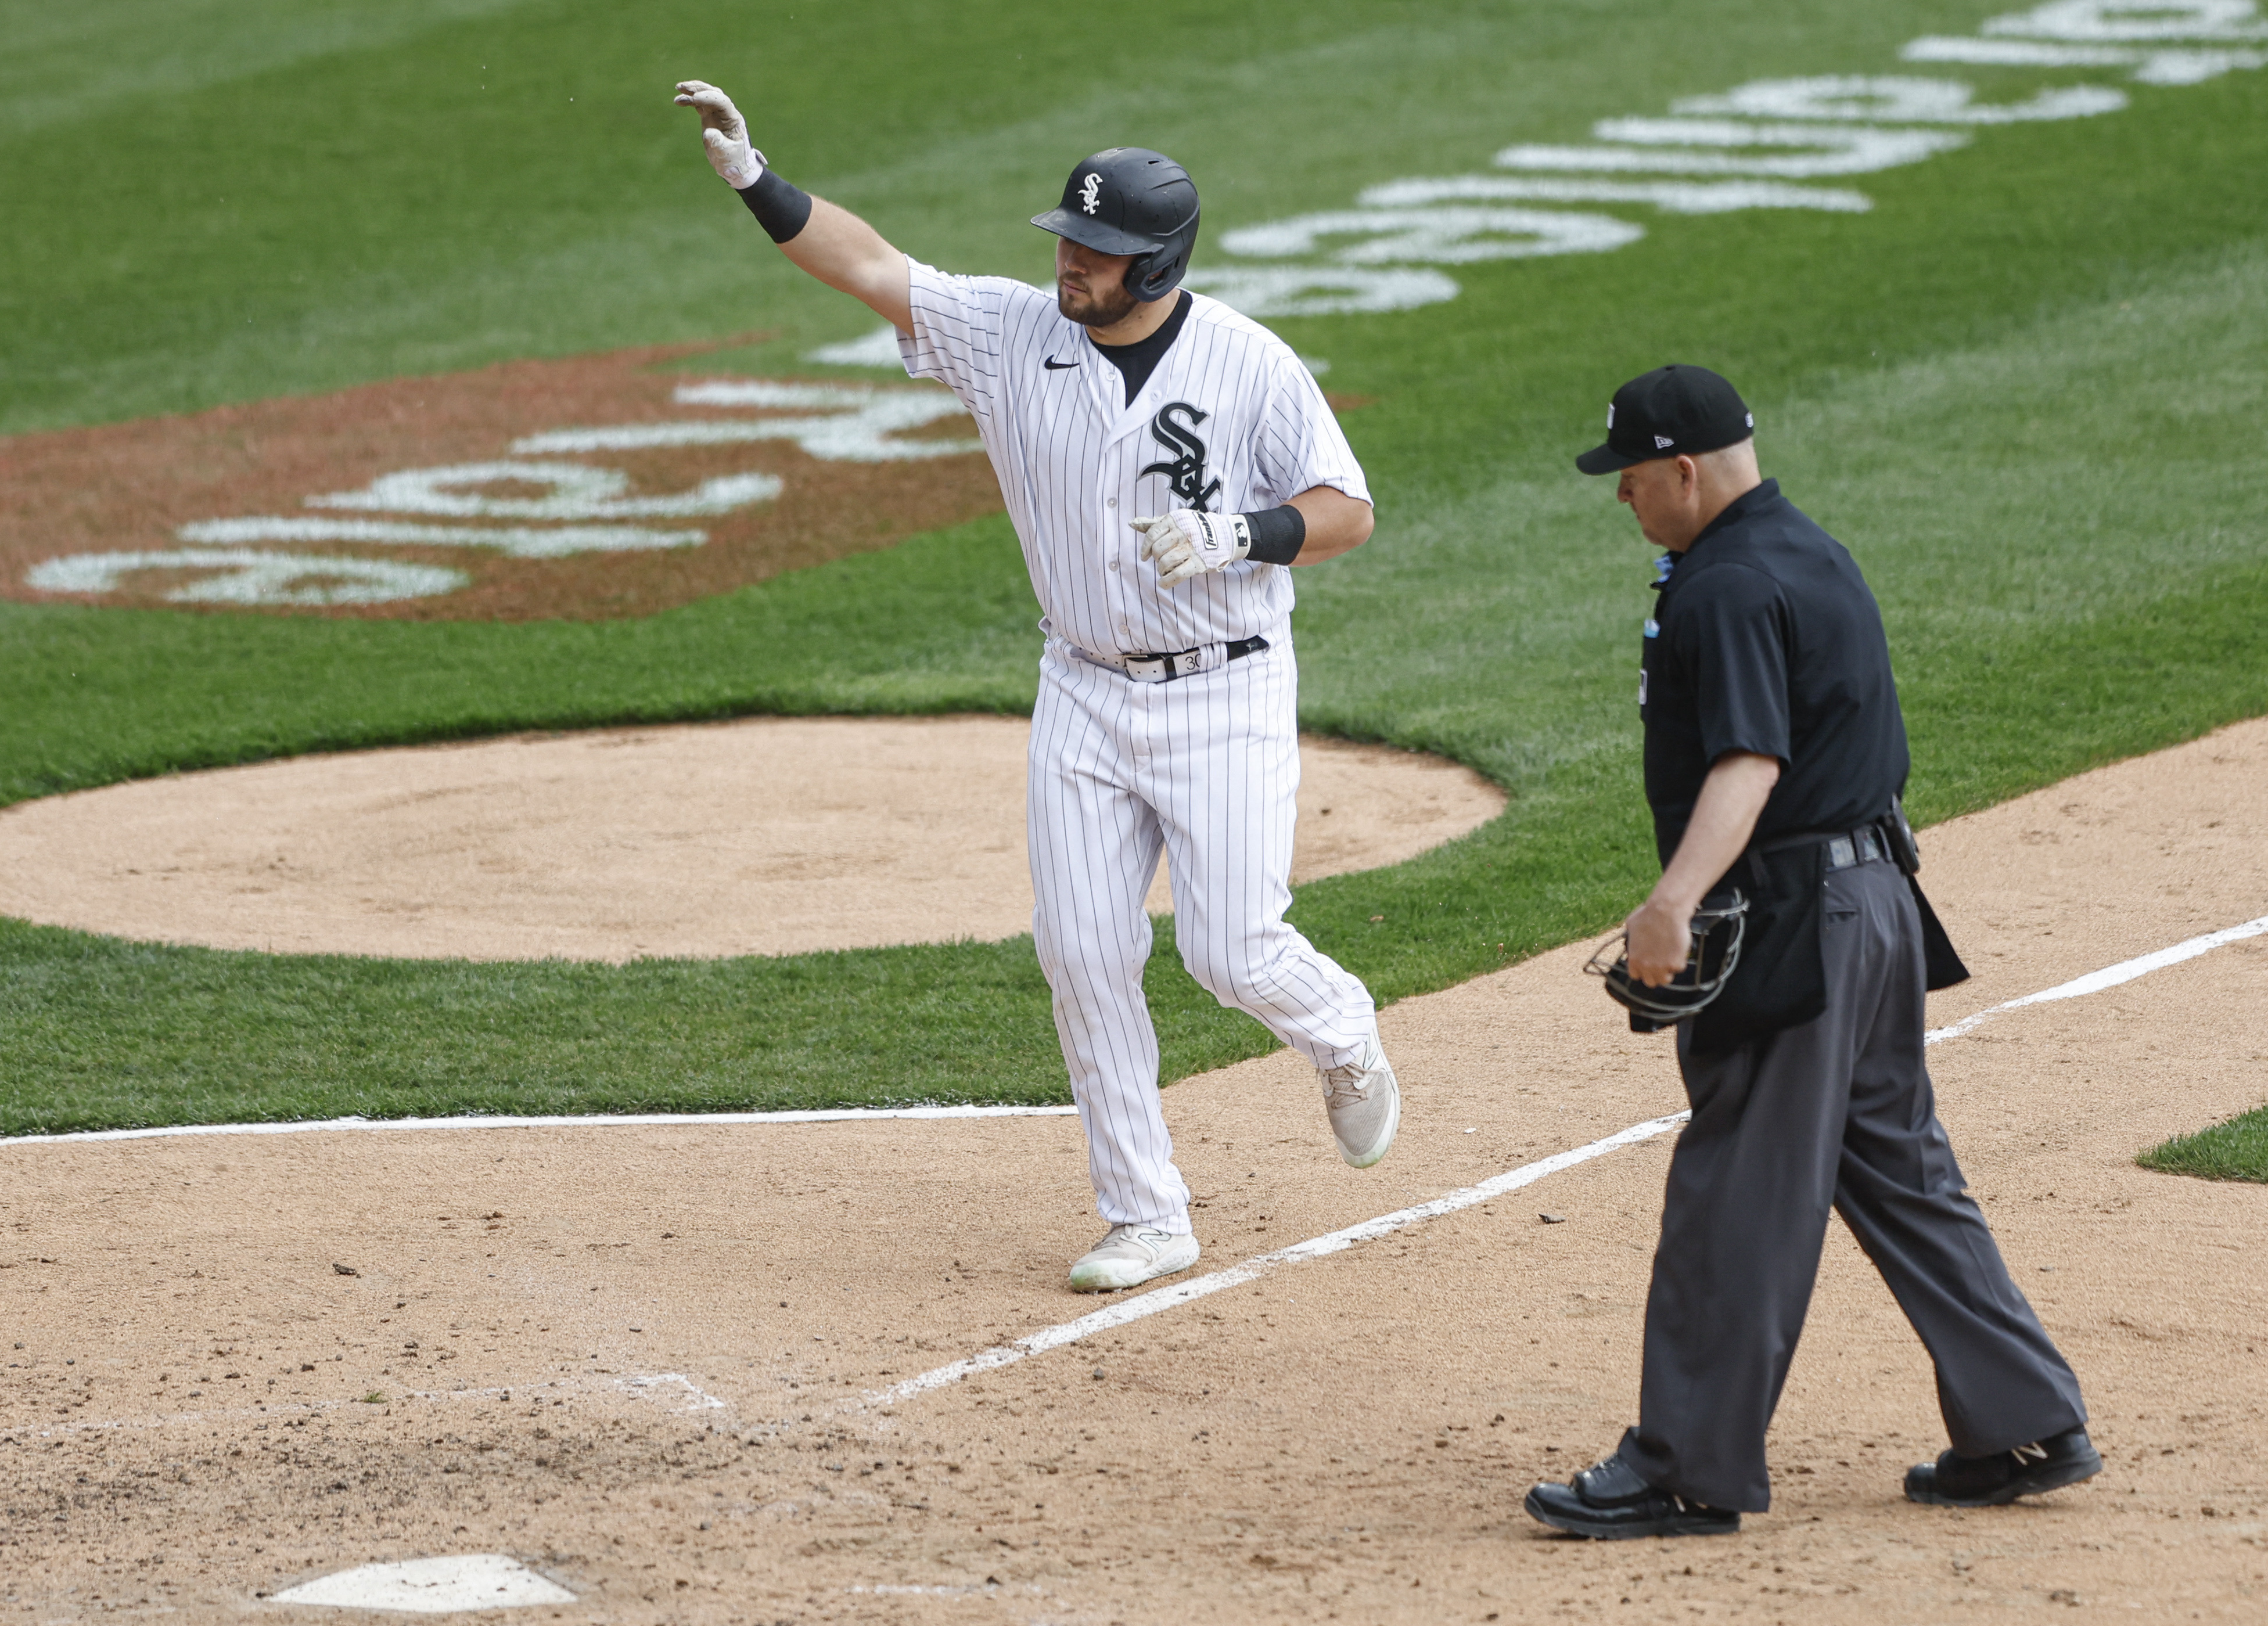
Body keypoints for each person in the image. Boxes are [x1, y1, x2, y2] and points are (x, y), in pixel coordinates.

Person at [671, 83, 1401, 1294]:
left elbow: (1348, 512)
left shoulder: (1249, 363)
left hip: (1222, 689)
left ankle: (1343, 1034)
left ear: (1157, 261)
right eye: (1069, 238)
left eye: (1099, 251)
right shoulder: (1014, 332)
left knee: (1230, 951)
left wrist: (1239, 535)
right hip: (1082, 690)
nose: (1072, 260)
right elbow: (871, 269)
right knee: (1080, 947)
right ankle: (1146, 1210)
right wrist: (760, 181)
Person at [1525, 365, 2100, 1539]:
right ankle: (2026, 1417)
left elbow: (1750, 761)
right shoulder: (1807, 547)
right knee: (1896, 1163)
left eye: (1630, 478)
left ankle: (1685, 1463)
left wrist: (1673, 899)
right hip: (1880, 900)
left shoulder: (1726, 586)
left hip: (1800, 917)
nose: (1623, 499)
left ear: (1683, 469)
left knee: (1736, 1185)